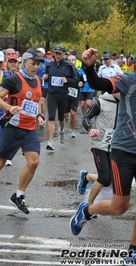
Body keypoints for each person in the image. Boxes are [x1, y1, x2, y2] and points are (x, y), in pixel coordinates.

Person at [70, 49, 136, 261]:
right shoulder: (129, 80)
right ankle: (86, 211)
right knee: (119, 207)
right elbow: (100, 85)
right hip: (124, 150)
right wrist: (89, 67)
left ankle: (133, 252)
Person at [0, 49, 45, 214]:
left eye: (37, 64)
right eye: (33, 63)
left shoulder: (38, 80)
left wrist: (39, 115)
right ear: (24, 63)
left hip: (29, 128)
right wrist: (9, 107)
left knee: (34, 162)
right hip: (12, 127)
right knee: (0, 163)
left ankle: (18, 195)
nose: (35, 67)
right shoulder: (14, 79)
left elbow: (36, 101)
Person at [77, 92, 119, 208]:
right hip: (99, 144)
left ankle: (87, 177)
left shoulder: (126, 104)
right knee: (104, 177)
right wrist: (90, 129)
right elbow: (86, 118)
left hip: (115, 146)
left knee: (109, 180)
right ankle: (87, 207)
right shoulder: (101, 102)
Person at [45, 45, 79, 150]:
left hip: (63, 94)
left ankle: (62, 131)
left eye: (60, 54)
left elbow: (76, 80)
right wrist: (45, 78)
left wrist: (67, 81)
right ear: (54, 54)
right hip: (51, 94)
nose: (58, 56)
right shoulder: (50, 65)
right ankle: (50, 141)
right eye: (56, 53)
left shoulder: (68, 65)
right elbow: (47, 77)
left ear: (64, 54)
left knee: (61, 117)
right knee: (51, 116)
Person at [64, 55, 82, 138]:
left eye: (73, 60)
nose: (71, 61)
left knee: (73, 113)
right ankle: (64, 122)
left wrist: (81, 84)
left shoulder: (78, 72)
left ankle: (72, 130)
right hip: (65, 95)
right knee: (65, 115)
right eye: (69, 60)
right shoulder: (64, 71)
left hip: (75, 95)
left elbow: (82, 81)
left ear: (75, 61)